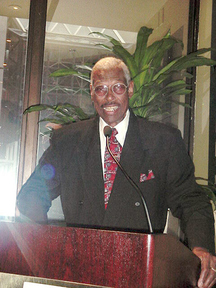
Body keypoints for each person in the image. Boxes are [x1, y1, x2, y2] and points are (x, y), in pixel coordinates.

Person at [17, 56, 216, 287]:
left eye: (117, 87)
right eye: (100, 89)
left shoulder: (163, 141)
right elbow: (32, 193)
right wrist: (46, 241)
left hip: (140, 272)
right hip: (78, 270)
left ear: (130, 89)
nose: (109, 97)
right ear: (91, 93)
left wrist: (201, 248)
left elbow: (191, 200)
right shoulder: (68, 142)